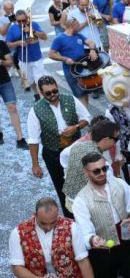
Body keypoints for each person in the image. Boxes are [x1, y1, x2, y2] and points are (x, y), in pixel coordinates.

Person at [27, 77, 91, 215]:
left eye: (55, 90)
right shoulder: (36, 110)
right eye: (48, 93)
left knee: (83, 183)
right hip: (53, 154)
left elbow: (87, 117)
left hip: (75, 148)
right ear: (41, 93)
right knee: (63, 189)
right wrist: (35, 164)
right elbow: (33, 140)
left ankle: (88, 214)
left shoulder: (70, 99)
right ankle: (71, 220)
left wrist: (76, 127)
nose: (53, 94)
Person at [62, 120, 122, 204]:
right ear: (105, 140)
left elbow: (63, 156)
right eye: (116, 139)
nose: (116, 142)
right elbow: (113, 192)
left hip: (71, 199)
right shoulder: (101, 164)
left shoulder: (77, 146)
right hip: (87, 204)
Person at [5, 9, 48, 99]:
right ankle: (36, 94)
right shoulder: (13, 28)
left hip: (37, 59)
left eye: (23, 20)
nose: (21, 23)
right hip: (23, 59)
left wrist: (32, 31)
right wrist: (18, 43)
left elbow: (45, 37)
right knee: (30, 80)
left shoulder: (34, 24)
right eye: (19, 21)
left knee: (39, 80)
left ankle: (42, 99)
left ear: (27, 18)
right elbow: (7, 44)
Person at [0, 37, 26, 147]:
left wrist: (1, 61)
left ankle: (20, 139)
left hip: (4, 81)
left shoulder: (1, 44)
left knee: (12, 107)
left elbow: (10, 63)